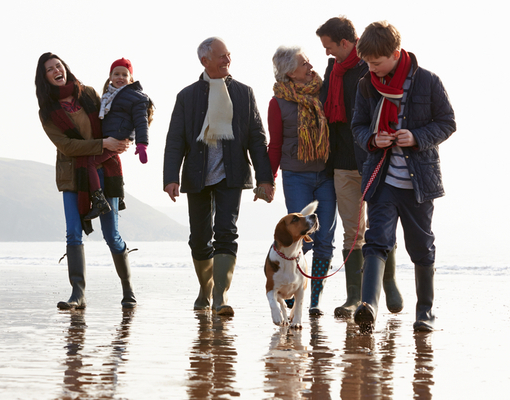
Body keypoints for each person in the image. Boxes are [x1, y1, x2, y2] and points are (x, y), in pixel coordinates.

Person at [351, 21, 456, 332]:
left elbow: (448, 122)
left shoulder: (428, 81)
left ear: (395, 53)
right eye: (368, 62)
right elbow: (358, 126)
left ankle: (425, 313)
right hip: (381, 180)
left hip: (419, 184)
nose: (372, 68)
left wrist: (417, 137)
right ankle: (368, 305)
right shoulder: (366, 85)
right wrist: (373, 138)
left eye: (377, 62)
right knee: (376, 242)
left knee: (421, 246)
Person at [163, 37, 275, 316]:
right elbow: (175, 139)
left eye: (228, 55)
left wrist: (265, 179)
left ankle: (220, 296)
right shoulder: (186, 96)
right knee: (199, 238)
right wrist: (170, 177)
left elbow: (257, 139)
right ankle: (206, 288)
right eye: (222, 56)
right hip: (197, 176)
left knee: (226, 232)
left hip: (232, 173)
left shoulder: (243, 93)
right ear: (205, 61)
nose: (227, 60)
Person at [316, 16, 403, 319]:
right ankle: (354, 296)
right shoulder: (332, 70)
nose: (326, 52)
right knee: (353, 231)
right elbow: (327, 111)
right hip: (341, 162)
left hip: (373, 159)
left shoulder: (371, 67)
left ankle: (388, 283)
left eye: (329, 46)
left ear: (344, 42)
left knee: (379, 228)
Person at [35, 52, 137, 310]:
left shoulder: (89, 94)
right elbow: (67, 146)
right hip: (73, 177)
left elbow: (116, 115)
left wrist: (129, 133)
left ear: (65, 68)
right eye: (50, 69)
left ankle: (128, 290)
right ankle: (77, 294)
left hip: (106, 169)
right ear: (45, 77)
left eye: (59, 65)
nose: (57, 70)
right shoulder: (47, 111)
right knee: (73, 233)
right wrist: (103, 143)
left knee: (111, 234)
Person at [267, 46, 336, 316]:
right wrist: (269, 179)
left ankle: (314, 298)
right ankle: (294, 297)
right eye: (304, 64)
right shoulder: (278, 102)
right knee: (300, 238)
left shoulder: (324, 92)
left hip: (326, 174)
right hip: (295, 176)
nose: (310, 67)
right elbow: (275, 144)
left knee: (325, 239)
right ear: (289, 72)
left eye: (308, 62)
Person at [83, 57, 153, 220]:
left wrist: (142, 144)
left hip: (118, 138)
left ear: (130, 78)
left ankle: (99, 202)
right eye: (116, 74)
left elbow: (141, 121)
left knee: (90, 162)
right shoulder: (109, 96)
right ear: (110, 76)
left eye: (124, 74)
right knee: (107, 163)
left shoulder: (135, 97)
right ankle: (119, 197)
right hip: (110, 137)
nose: (120, 77)